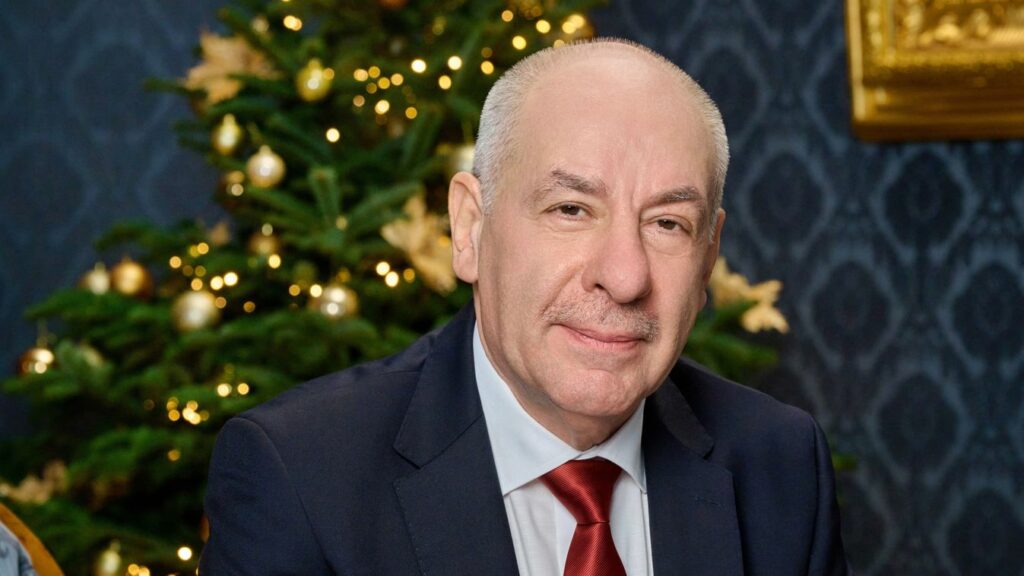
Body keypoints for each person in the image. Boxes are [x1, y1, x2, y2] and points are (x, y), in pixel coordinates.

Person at [200, 38, 849, 575]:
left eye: (668, 224)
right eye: (571, 209)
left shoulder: (780, 464)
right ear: (469, 228)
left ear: (708, 257)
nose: (624, 277)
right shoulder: (299, 475)